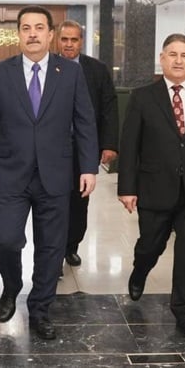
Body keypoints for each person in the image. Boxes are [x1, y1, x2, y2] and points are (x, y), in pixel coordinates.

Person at [0, 6, 98, 341]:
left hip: (56, 173)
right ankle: (12, 286)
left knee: (51, 247)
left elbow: (85, 121)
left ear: (50, 34)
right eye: (26, 28)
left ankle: (41, 308)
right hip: (9, 172)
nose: (32, 34)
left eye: (39, 27)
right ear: (18, 34)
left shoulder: (70, 73)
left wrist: (88, 167)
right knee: (6, 239)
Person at [117, 33, 185, 343]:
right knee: (151, 244)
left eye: (184, 55)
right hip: (155, 187)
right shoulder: (142, 97)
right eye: (172, 54)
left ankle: (183, 311)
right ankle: (140, 269)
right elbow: (130, 145)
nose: (178, 60)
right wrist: (127, 188)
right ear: (162, 59)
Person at [57, 20, 119, 268]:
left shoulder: (97, 69)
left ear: (81, 42)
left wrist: (109, 144)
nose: (69, 44)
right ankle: (53, 249)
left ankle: (71, 246)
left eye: (74, 39)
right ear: (57, 40)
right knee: (53, 200)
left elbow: (109, 108)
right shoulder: (47, 67)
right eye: (64, 39)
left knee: (79, 200)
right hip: (53, 148)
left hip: (84, 147)